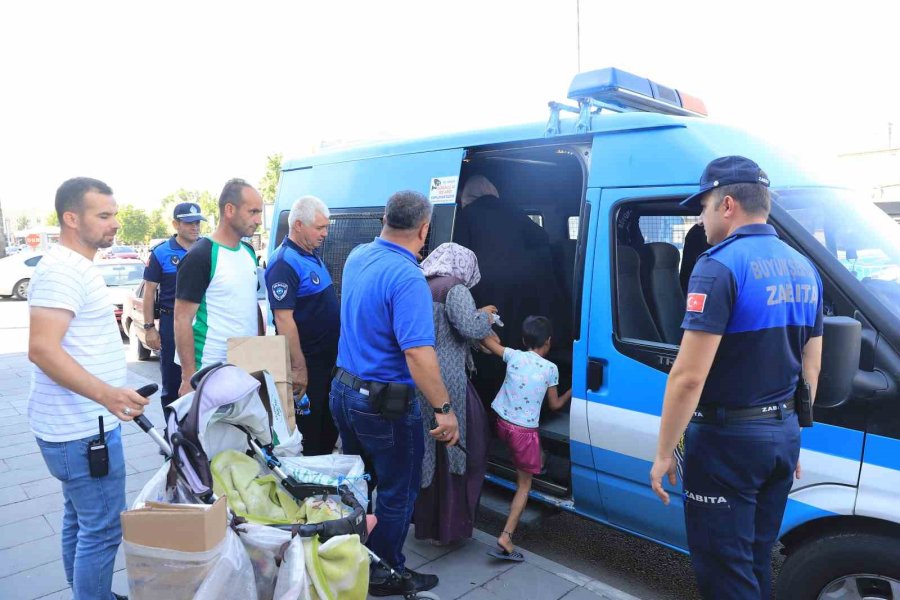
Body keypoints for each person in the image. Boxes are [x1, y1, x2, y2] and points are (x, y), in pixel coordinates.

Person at [649, 156, 823, 600]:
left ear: (727, 205)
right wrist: (791, 431)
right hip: (782, 436)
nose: (700, 219)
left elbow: (688, 377)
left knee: (724, 570)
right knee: (755, 556)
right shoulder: (805, 267)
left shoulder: (718, 265)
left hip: (727, 443)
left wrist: (664, 452)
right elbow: (811, 367)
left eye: (703, 207)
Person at [330, 190, 459, 597]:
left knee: (359, 484)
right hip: (383, 405)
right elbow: (418, 354)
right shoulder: (408, 277)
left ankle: (352, 557)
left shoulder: (357, 256)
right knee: (397, 490)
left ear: (384, 219)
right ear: (424, 230)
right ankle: (384, 573)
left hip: (344, 391)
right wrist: (444, 409)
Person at [28, 177, 150, 600]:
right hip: (82, 431)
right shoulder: (62, 271)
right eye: (104, 215)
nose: (114, 223)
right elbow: (42, 349)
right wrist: (108, 395)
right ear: (71, 218)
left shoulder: (76, 265)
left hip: (80, 427)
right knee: (102, 529)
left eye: (114, 214)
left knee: (80, 520)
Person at [412, 242, 497, 545]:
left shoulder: (424, 285)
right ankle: (449, 527)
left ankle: (427, 524)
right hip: (449, 381)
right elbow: (470, 328)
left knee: (430, 450)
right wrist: (486, 317)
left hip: (423, 376)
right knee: (464, 445)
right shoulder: (454, 288)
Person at [453, 175, 564, 402]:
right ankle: (522, 393)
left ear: (468, 194)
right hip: (522, 289)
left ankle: (491, 400)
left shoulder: (465, 216)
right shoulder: (513, 210)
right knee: (515, 338)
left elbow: (458, 254)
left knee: (489, 343)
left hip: (484, 289)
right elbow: (541, 236)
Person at [481, 316, 571, 561]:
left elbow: (487, 341)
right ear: (549, 341)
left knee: (527, 453)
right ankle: (506, 537)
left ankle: (538, 458)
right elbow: (555, 405)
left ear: (523, 340)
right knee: (524, 485)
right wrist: (572, 390)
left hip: (501, 424)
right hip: (524, 433)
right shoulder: (551, 369)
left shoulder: (513, 355)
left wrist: (486, 320)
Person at [265, 195, 340, 455]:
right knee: (309, 436)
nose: (325, 233)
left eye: (326, 227)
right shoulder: (284, 262)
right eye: (320, 227)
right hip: (308, 365)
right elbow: (283, 319)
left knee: (327, 430)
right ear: (298, 225)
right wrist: (298, 369)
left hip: (327, 363)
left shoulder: (311, 255)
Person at [175, 178, 263, 395]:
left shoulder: (248, 252)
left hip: (245, 369)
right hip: (209, 372)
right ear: (230, 210)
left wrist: (261, 354)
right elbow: (182, 319)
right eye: (253, 212)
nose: (259, 220)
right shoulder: (201, 255)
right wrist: (188, 377)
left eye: (259, 212)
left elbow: (251, 305)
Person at [141, 202, 206, 411]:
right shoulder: (161, 253)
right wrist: (149, 328)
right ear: (176, 224)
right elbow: (149, 292)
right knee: (172, 379)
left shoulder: (207, 249)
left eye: (197, 223)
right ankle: (173, 427)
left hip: (202, 320)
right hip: (171, 322)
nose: (195, 227)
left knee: (205, 377)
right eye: (189, 223)